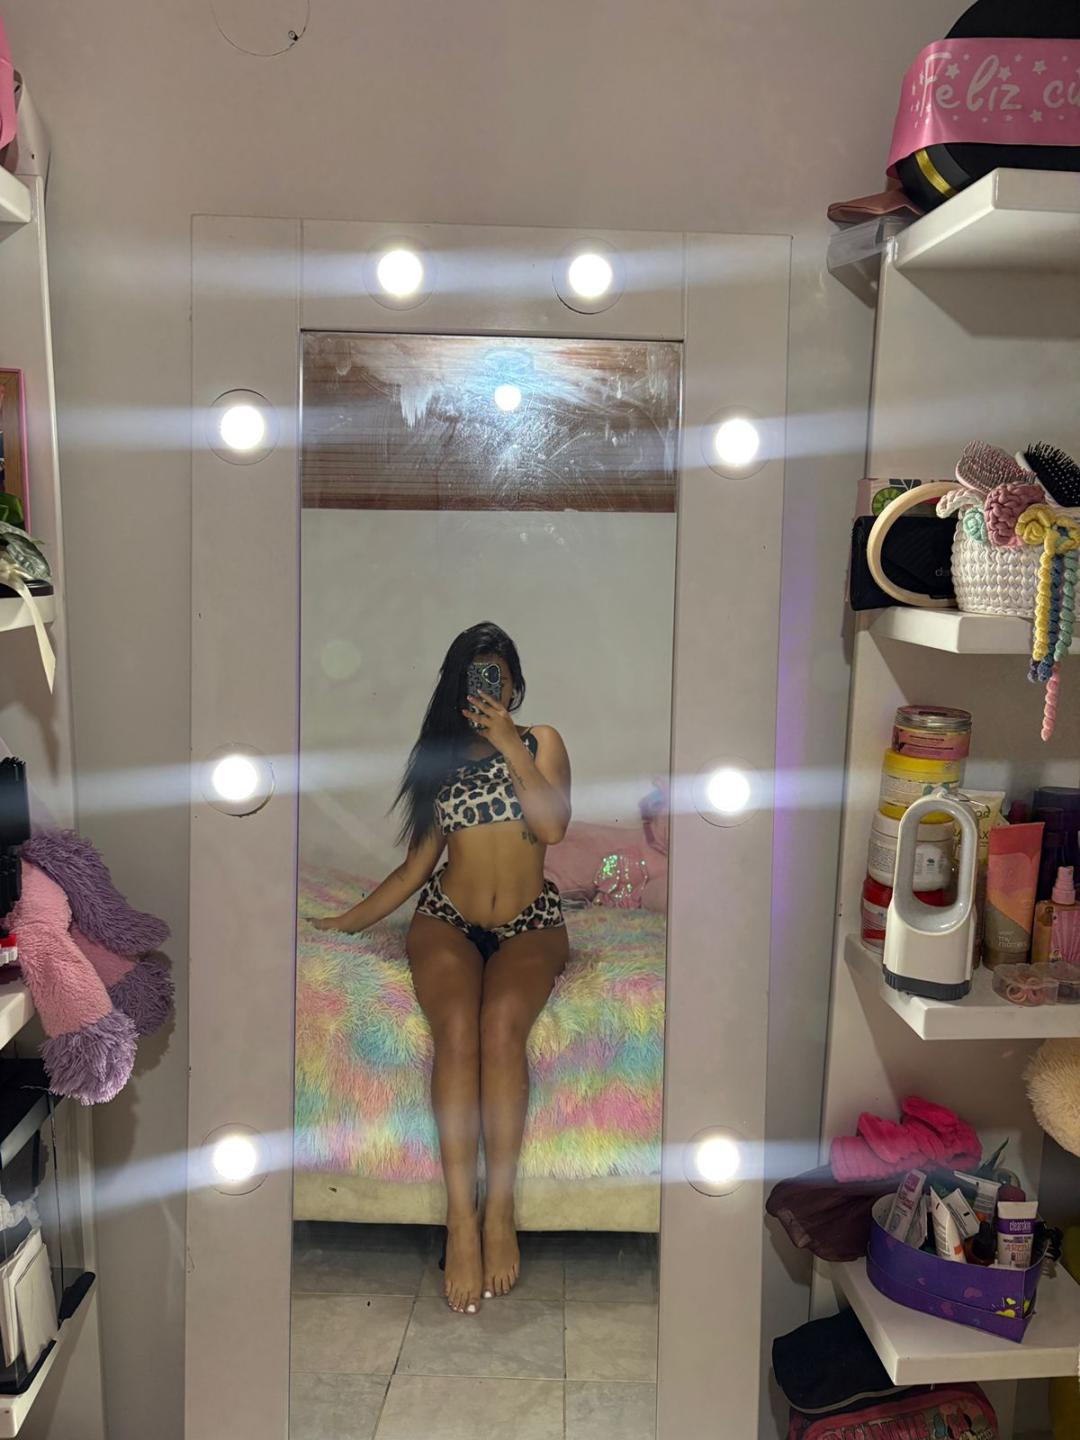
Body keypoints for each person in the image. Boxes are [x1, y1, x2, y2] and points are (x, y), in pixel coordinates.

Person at [313, 622, 571, 1314]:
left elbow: (553, 827)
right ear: (457, 687)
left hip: (529, 924)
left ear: (515, 685)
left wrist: (511, 744)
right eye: (476, 677)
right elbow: (414, 869)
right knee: (457, 1029)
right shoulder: (441, 761)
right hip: (447, 918)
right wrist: (339, 924)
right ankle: (461, 1219)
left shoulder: (542, 742)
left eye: (499, 677)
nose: (490, 688)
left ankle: (499, 1213)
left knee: (501, 1025)